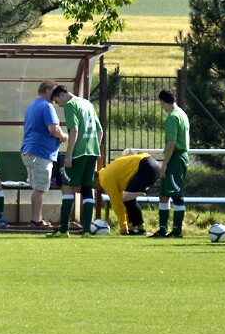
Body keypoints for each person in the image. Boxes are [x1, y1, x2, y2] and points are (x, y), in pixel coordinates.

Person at [48, 85, 103, 238]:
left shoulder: (71, 105)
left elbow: (74, 130)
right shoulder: (87, 103)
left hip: (79, 153)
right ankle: (86, 230)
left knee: (67, 187)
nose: (59, 105)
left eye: (57, 102)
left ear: (60, 95)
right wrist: (95, 150)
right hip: (93, 152)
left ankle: (64, 230)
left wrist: (69, 155)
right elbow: (100, 131)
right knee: (87, 188)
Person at [20, 80, 68, 228]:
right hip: (40, 153)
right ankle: (36, 220)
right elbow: (53, 129)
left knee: (38, 187)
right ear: (48, 91)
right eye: (53, 93)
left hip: (30, 151)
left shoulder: (32, 105)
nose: (55, 98)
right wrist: (64, 136)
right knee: (40, 188)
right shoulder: (46, 106)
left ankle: (37, 218)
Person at [151, 89, 190, 238]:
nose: (161, 107)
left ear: (163, 101)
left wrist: (165, 164)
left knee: (176, 194)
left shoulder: (173, 117)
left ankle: (177, 231)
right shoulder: (182, 113)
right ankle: (162, 229)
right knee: (163, 194)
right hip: (177, 157)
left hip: (175, 158)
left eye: (161, 103)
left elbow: (171, 143)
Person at [97, 150, 160, 235]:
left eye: (94, 185)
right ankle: (138, 228)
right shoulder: (107, 172)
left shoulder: (104, 179)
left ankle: (137, 228)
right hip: (152, 163)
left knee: (127, 199)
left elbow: (117, 204)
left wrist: (123, 226)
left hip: (146, 167)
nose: (96, 188)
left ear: (96, 179)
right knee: (129, 199)